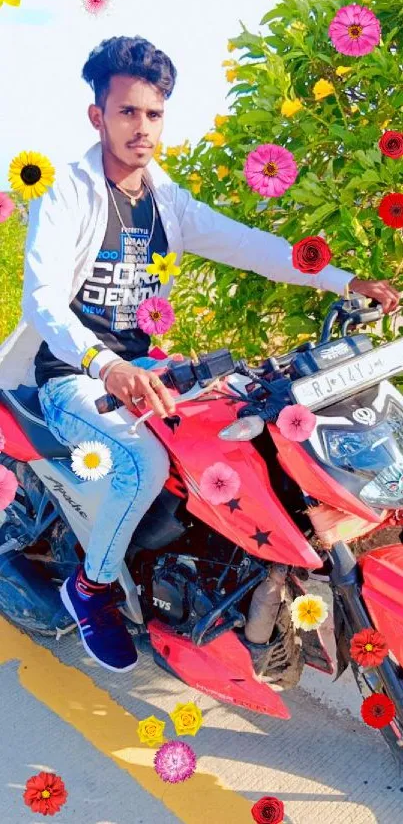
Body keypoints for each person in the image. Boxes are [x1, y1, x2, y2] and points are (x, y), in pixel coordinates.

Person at [20, 36, 400, 674]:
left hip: (149, 370)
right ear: (98, 116)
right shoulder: (68, 195)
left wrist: (344, 281)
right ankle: (91, 588)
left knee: (252, 432)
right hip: (75, 376)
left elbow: (252, 245)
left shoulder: (164, 201)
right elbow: (43, 300)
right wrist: (103, 364)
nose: (142, 128)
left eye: (154, 114)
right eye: (127, 112)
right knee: (140, 461)